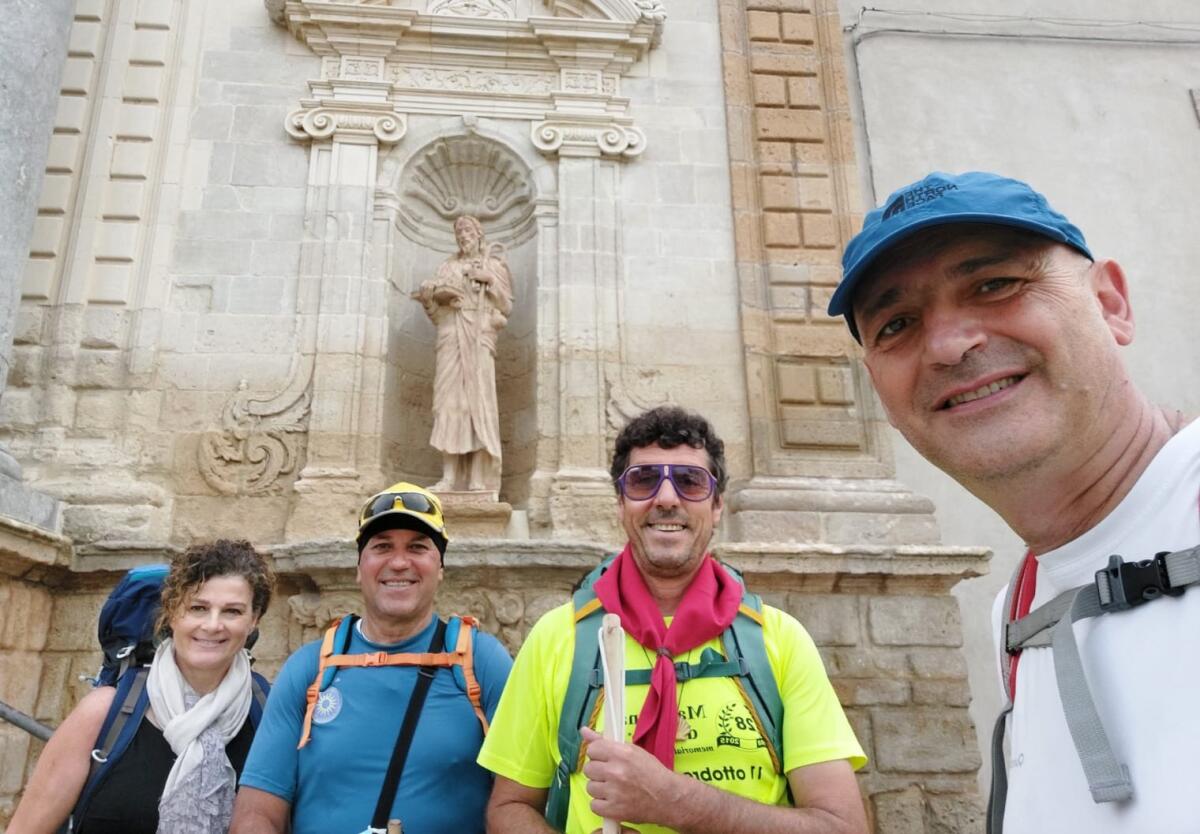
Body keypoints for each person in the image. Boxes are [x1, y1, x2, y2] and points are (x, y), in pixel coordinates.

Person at [827, 170, 1199, 834]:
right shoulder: (1019, 611)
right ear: (879, 396)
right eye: (897, 323)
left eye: (995, 285)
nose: (948, 344)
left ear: (1112, 303)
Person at [479, 406, 868, 834]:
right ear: (621, 503)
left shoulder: (781, 640)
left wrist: (674, 802)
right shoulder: (557, 637)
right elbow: (510, 807)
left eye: (689, 481)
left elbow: (842, 826)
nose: (666, 498)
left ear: (717, 505)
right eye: (644, 481)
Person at [230, 481, 512, 834]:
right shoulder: (310, 668)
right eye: (382, 547)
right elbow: (258, 809)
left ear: (440, 567)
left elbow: (515, 802)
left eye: (417, 547)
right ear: (359, 567)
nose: (398, 562)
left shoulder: (480, 663)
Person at [10, 539, 276, 834]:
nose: (213, 625)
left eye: (232, 611)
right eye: (198, 608)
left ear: (254, 620)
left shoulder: (270, 717)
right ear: (172, 612)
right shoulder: (103, 713)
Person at [413, 215, 514, 493]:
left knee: (477, 404)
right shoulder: (447, 267)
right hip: (450, 334)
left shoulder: (493, 265)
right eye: (458, 231)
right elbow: (437, 315)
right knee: (447, 404)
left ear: (479, 234)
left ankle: (478, 480)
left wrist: (489, 281)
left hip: (479, 335)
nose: (463, 235)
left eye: (468, 230)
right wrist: (430, 301)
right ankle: (449, 478)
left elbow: (506, 306)